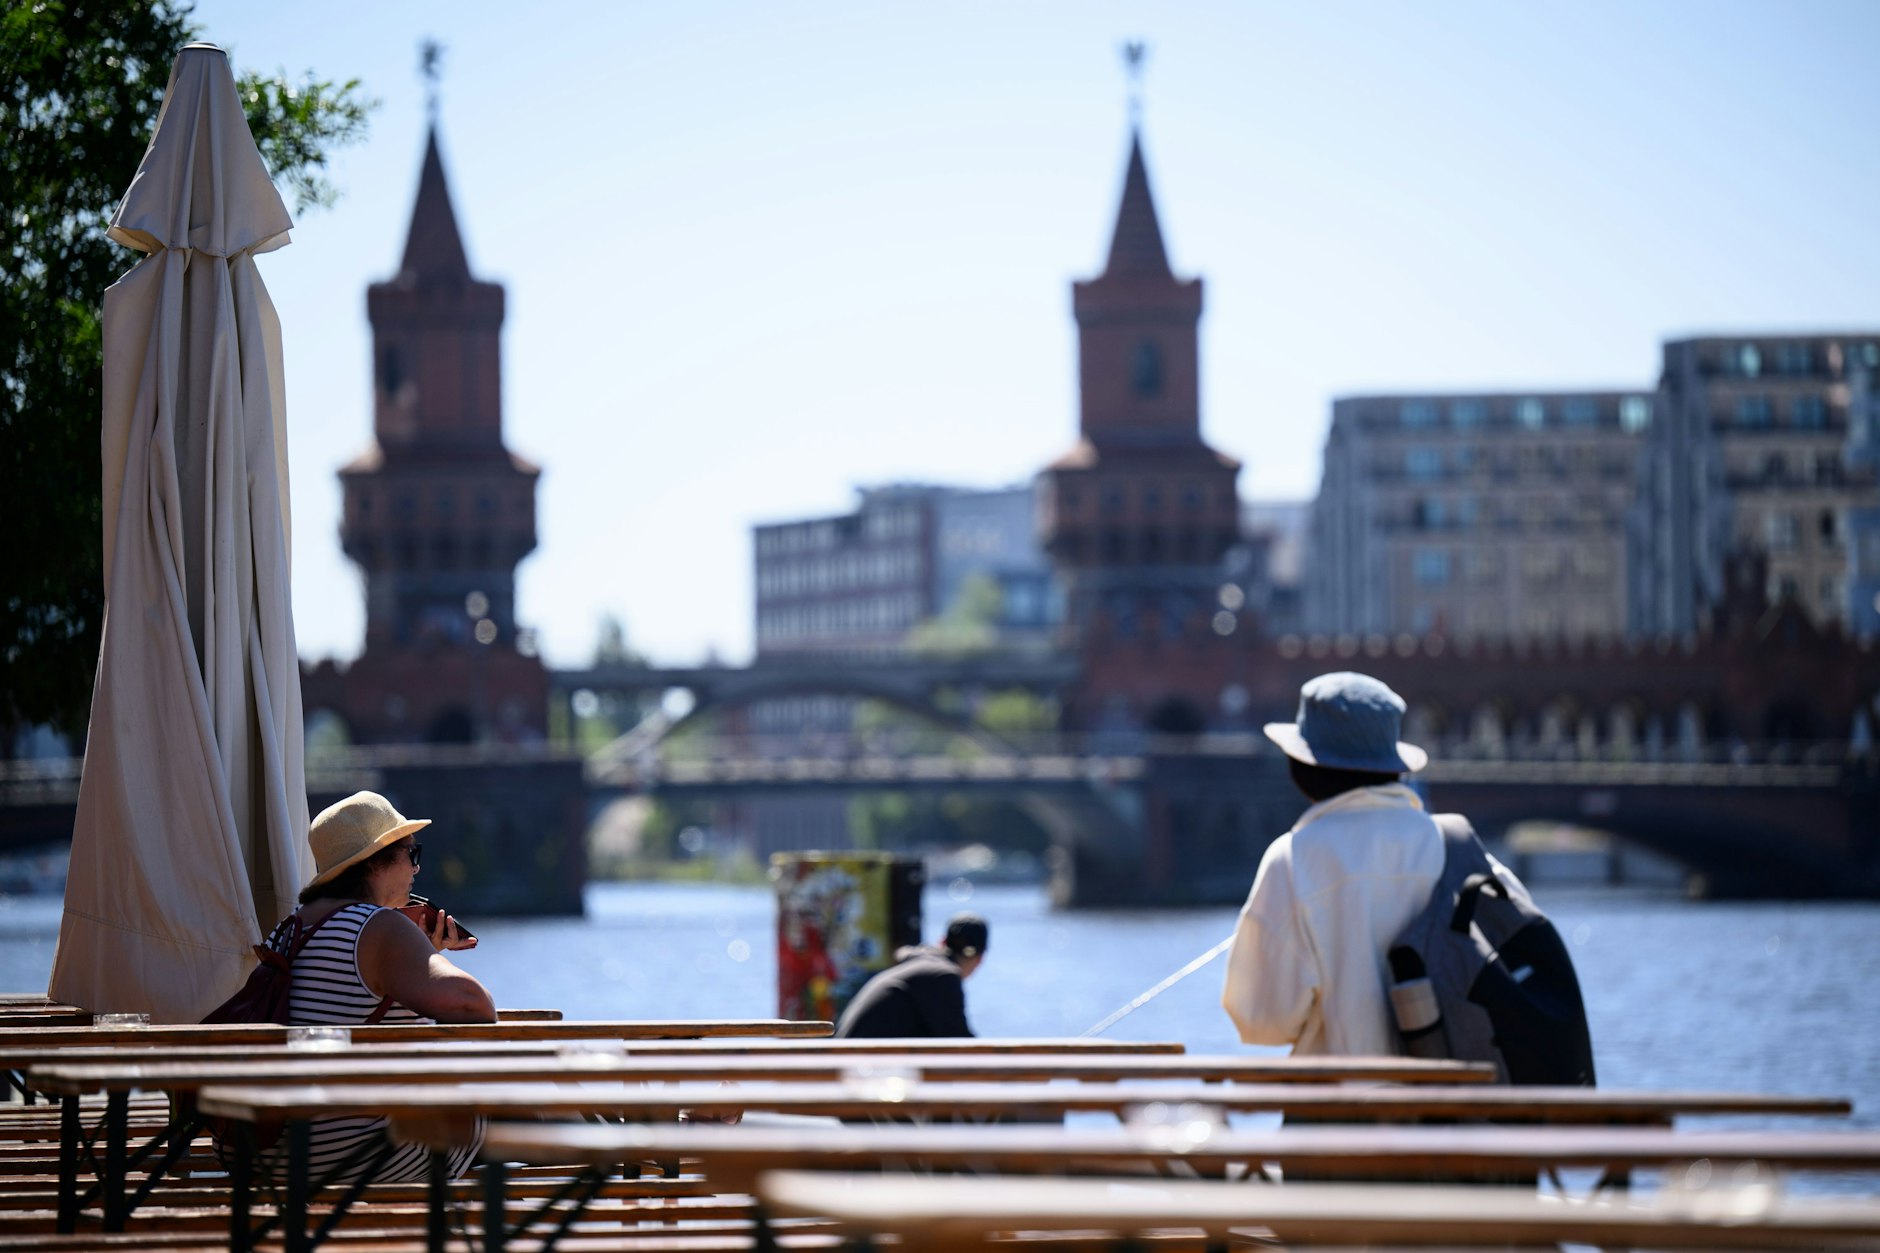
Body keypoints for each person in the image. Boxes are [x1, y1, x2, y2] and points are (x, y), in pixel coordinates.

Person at [1222, 671, 1525, 1057]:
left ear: (1305, 768)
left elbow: (1261, 1019)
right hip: (1456, 1106)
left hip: (1339, 1107)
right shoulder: (1456, 847)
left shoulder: (1293, 858)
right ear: (1393, 765)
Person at [272, 790, 494, 1182]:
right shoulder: (378, 926)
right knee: (538, 1102)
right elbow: (475, 1005)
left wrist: (416, 956)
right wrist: (430, 958)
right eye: (412, 854)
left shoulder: (289, 929)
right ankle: (622, 1187)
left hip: (275, 1149)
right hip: (357, 1151)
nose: (416, 870)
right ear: (375, 863)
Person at [834, 913, 988, 1039]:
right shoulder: (942, 975)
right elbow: (960, 1045)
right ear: (980, 959)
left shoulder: (916, 969)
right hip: (863, 1069)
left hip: (852, 1062)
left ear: (942, 942)